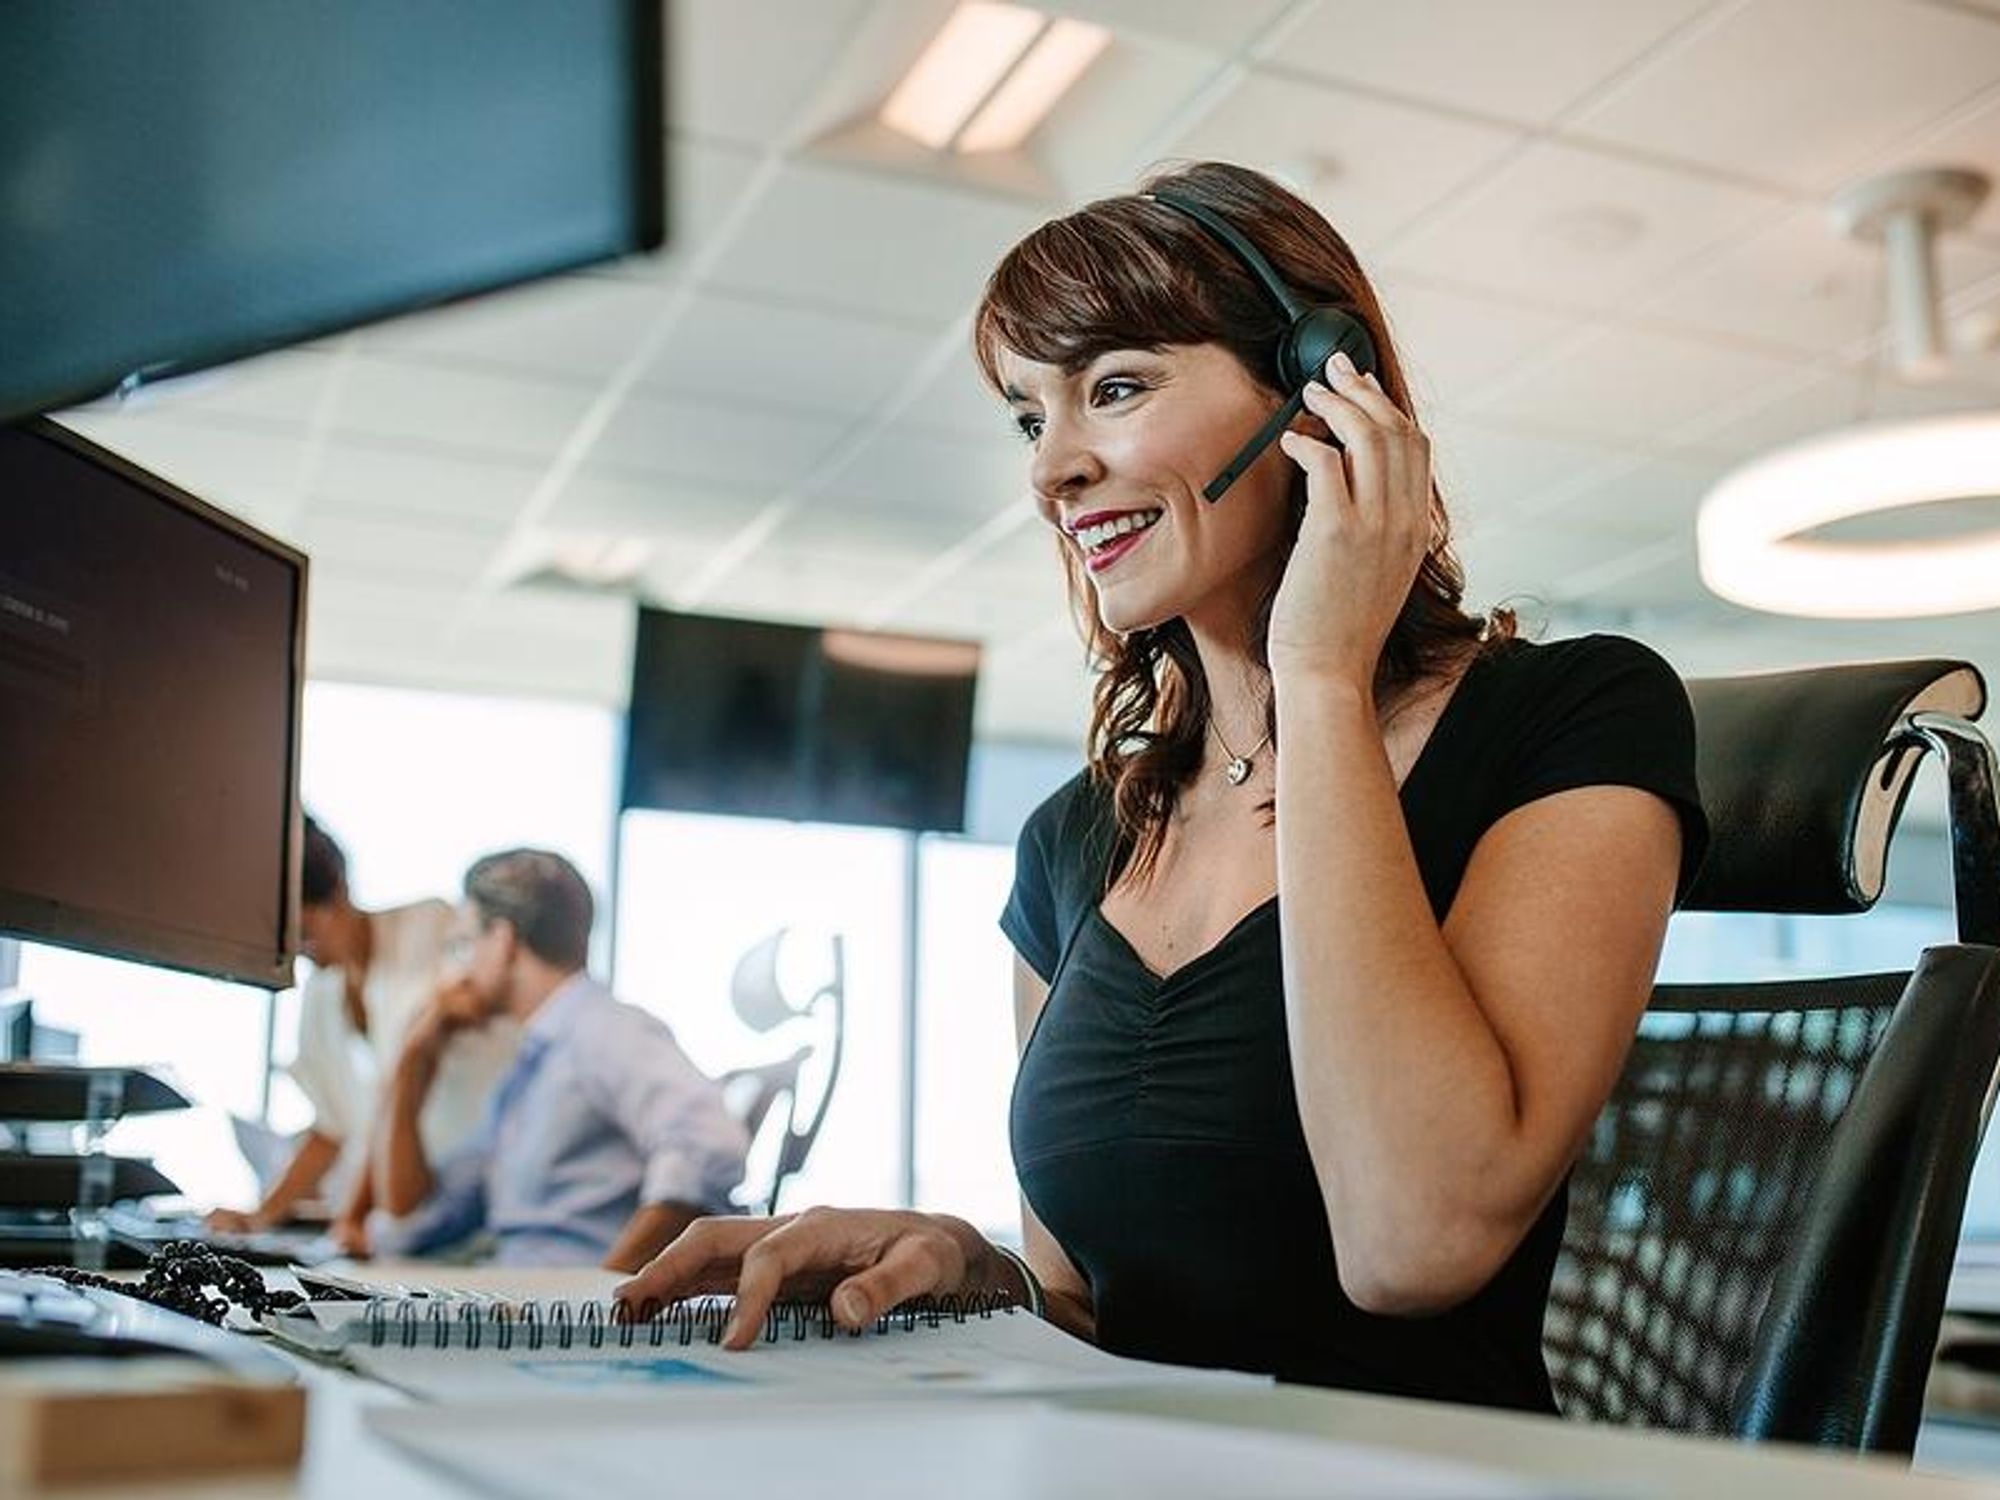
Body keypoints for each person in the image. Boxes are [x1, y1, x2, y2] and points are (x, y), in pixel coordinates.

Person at [613, 160, 1710, 1414]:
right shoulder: (1072, 838)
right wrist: (968, 1268)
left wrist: (1316, 675)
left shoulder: (1571, 714)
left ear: (1320, 391)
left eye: (1115, 389)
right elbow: (1084, 1300)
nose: (1050, 474)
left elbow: (1414, 1243)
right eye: (1031, 418)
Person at [371, 848, 748, 1271]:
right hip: (521, 1299)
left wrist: (604, 1299)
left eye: (462, 945)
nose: (454, 972)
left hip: (565, 1316)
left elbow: (707, 1145)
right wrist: (413, 1062)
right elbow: (413, 1216)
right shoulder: (530, 1069)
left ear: (503, 940)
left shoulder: (602, 1029)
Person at [207, 816, 517, 1252]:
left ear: (339, 894)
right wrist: (261, 1215)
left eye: (306, 932)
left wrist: (354, 1213)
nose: (302, 950)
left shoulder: (433, 927)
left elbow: (410, 1078)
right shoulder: (320, 993)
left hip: (470, 1196)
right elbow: (331, 1129)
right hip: (395, 1219)